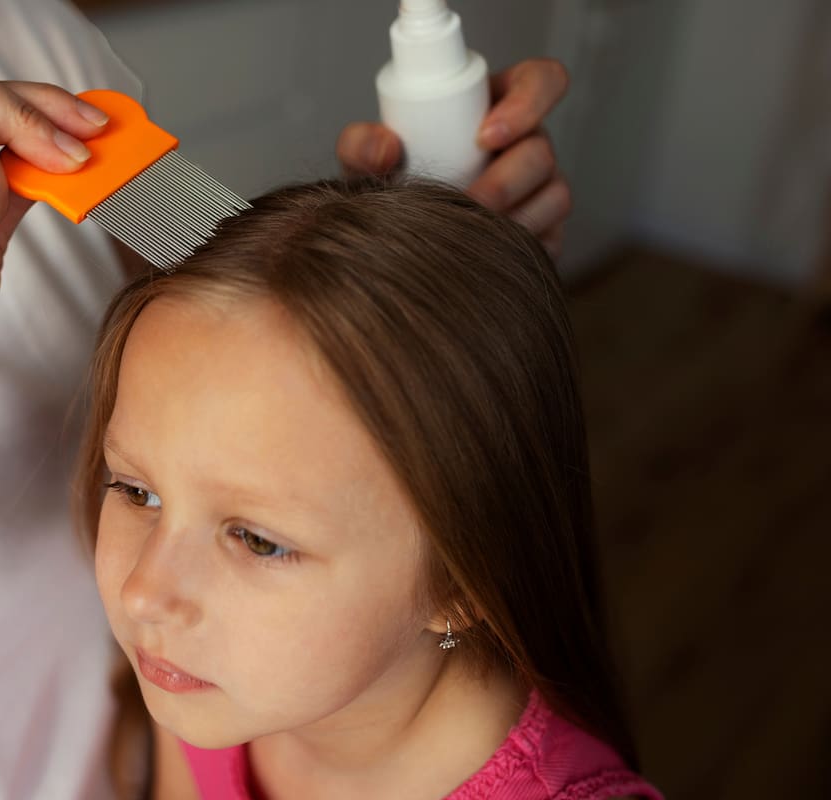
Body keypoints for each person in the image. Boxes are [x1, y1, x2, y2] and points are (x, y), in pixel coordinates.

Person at [0, 1, 571, 797]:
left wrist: (422, 278)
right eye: (136, 494)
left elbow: (235, 307)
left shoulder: (18, 39)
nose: (143, 591)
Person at [77, 178, 663, 800]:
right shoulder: (201, 682)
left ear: (458, 583)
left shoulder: (215, 663)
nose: (145, 594)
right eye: (138, 492)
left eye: (255, 540)